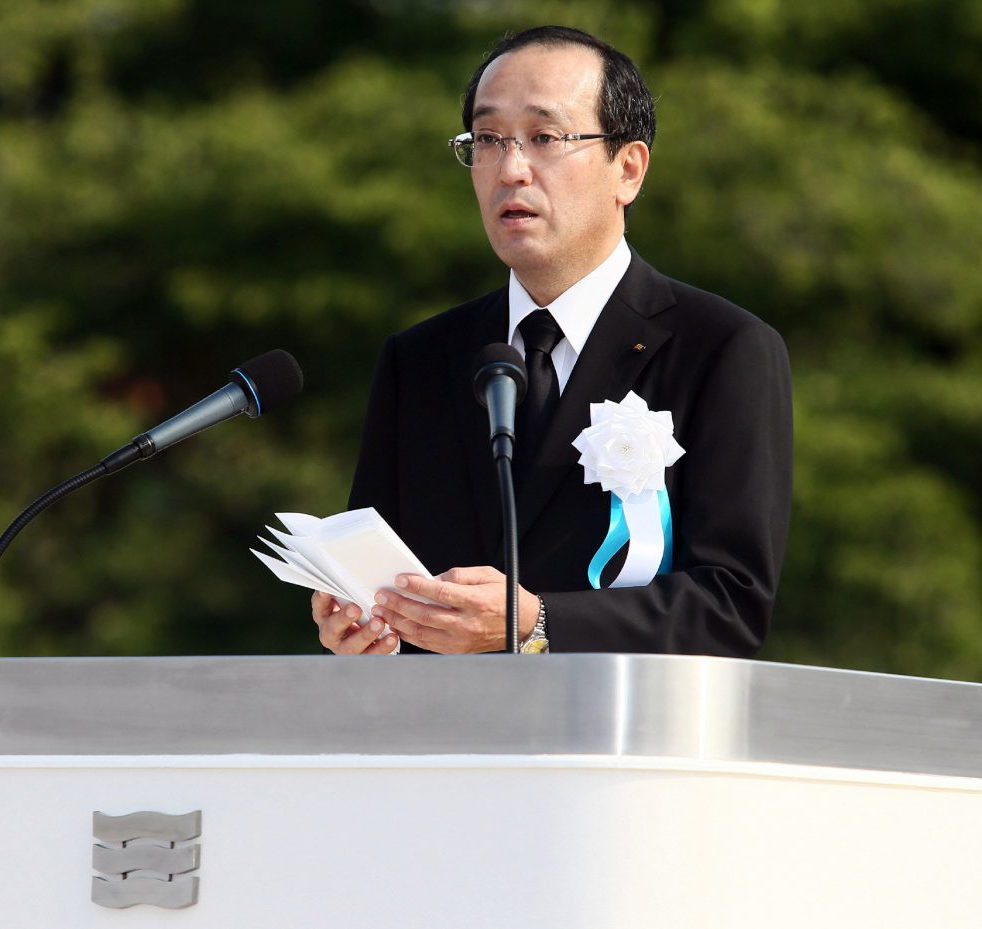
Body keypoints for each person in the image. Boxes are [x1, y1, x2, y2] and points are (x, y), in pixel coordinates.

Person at [311, 25, 792, 655]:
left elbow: (730, 609)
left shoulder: (721, 349)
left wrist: (538, 622)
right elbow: (384, 584)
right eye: (487, 140)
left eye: (544, 138)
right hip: (442, 741)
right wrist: (359, 630)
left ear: (628, 169)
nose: (511, 169)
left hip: (619, 743)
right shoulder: (420, 359)